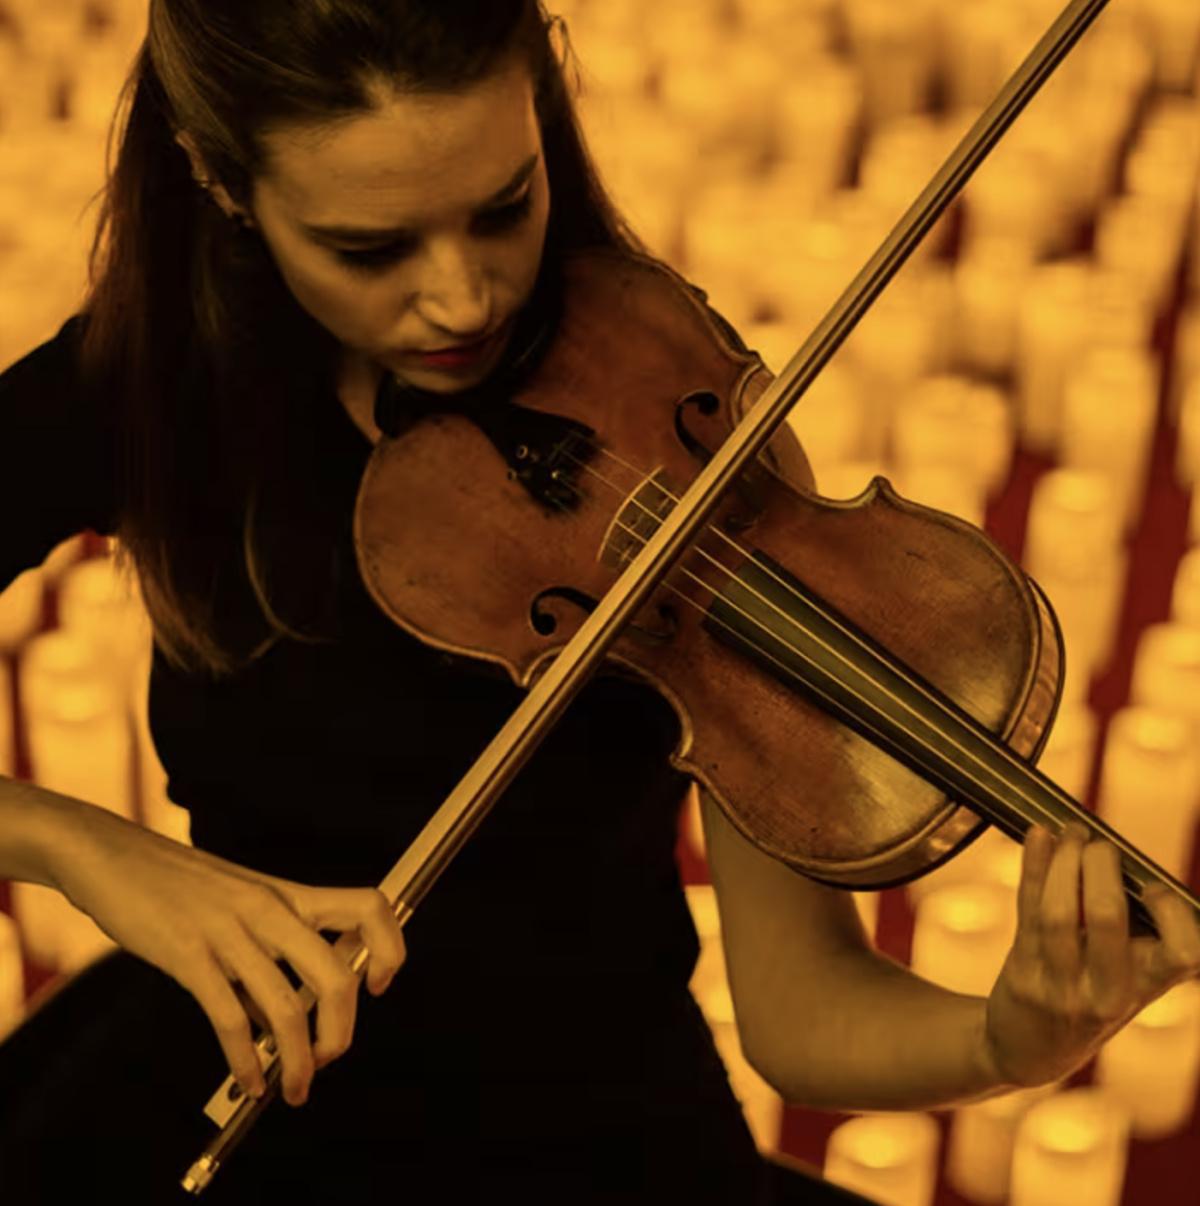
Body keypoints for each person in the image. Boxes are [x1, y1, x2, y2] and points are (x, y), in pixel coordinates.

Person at [0, 1, 1197, 1202]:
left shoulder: (672, 406)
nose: (464, 298)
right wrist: (82, 848)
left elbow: (800, 1008)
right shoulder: (151, 388)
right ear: (220, 181)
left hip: (607, 1135)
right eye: (371, 251)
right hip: (266, 1098)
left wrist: (1006, 1042)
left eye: (504, 205)